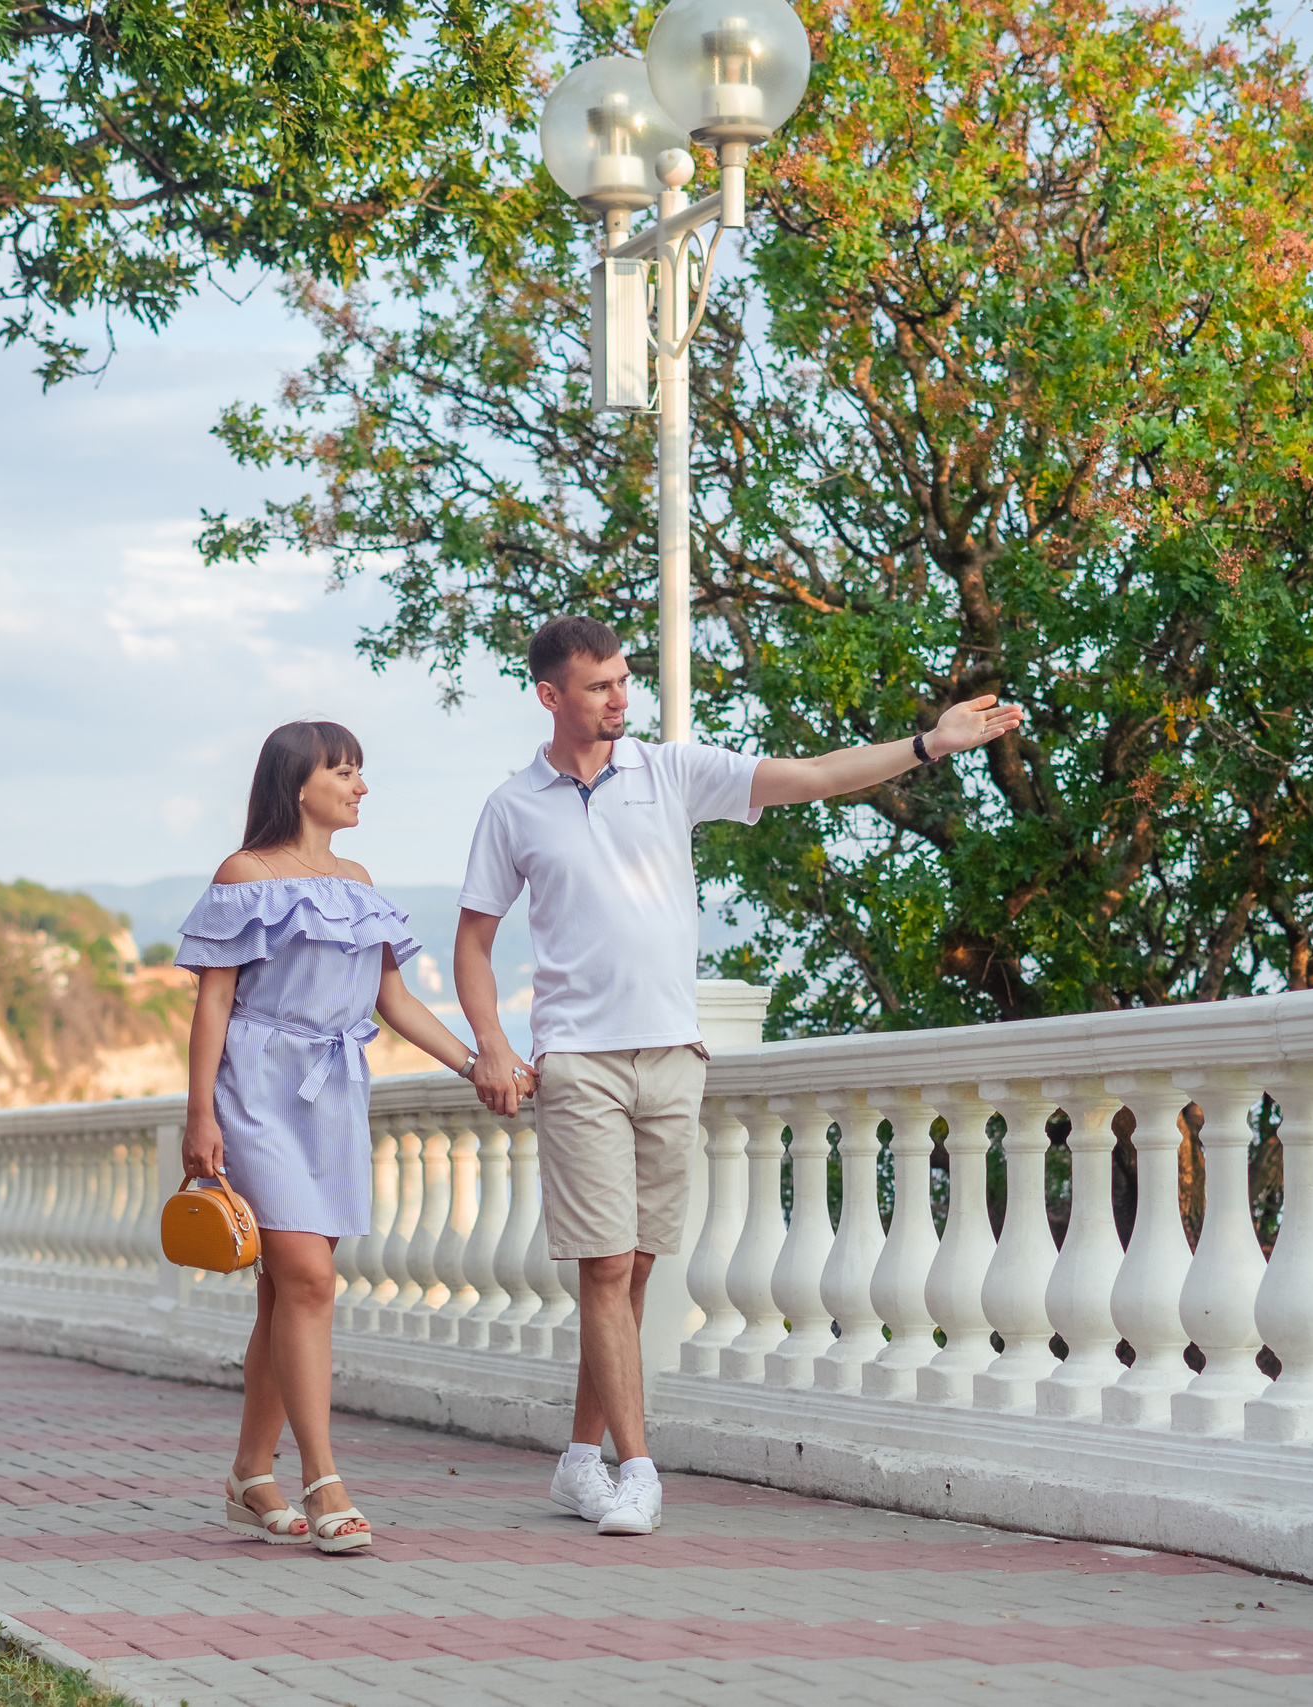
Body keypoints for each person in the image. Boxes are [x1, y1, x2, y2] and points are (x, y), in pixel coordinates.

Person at [455, 614, 1023, 1537]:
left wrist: (930, 742)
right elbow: (472, 940)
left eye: (624, 680)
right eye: (599, 686)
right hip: (580, 1059)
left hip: (673, 1053)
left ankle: (575, 1461)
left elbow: (814, 776)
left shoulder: (670, 771)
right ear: (550, 696)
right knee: (603, 1266)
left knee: (632, 1270)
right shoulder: (513, 806)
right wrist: (488, 1040)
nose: (619, 698)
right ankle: (638, 1470)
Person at [177, 719, 518, 1555]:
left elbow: (392, 1004)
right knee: (309, 1279)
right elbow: (213, 1002)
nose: (360, 785)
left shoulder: (361, 883)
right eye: (345, 771)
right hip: (257, 1087)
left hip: (332, 1092)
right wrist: (199, 1113)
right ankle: (323, 1476)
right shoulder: (244, 874)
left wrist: (473, 1062)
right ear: (300, 783)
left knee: (286, 1291)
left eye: (361, 772)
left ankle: (250, 1474)